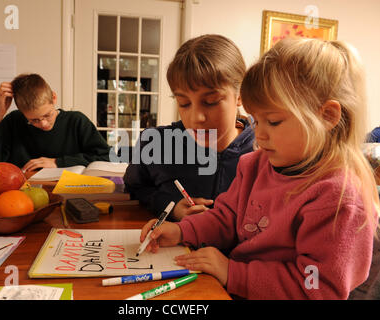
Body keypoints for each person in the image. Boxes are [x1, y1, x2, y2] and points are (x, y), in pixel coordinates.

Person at [139, 38, 379, 299]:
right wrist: (182, 230)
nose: (259, 135)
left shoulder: (338, 197)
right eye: (257, 119)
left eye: (273, 122)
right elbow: (227, 217)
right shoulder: (256, 164)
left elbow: (318, 288)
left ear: (327, 116)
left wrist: (233, 273)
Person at [123, 34, 255, 221]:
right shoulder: (157, 144)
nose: (196, 118)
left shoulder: (268, 148)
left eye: (211, 101)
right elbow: (134, 189)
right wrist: (170, 205)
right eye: (184, 103)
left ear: (240, 94)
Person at [0, 73, 110, 172]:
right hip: (22, 193)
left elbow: (105, 156)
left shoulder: (76, 121)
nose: (44, 124)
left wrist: (58, 162)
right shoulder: (14, 121)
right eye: (33, 120)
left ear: (54, 98)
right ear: (22, 112)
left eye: (48, 115)